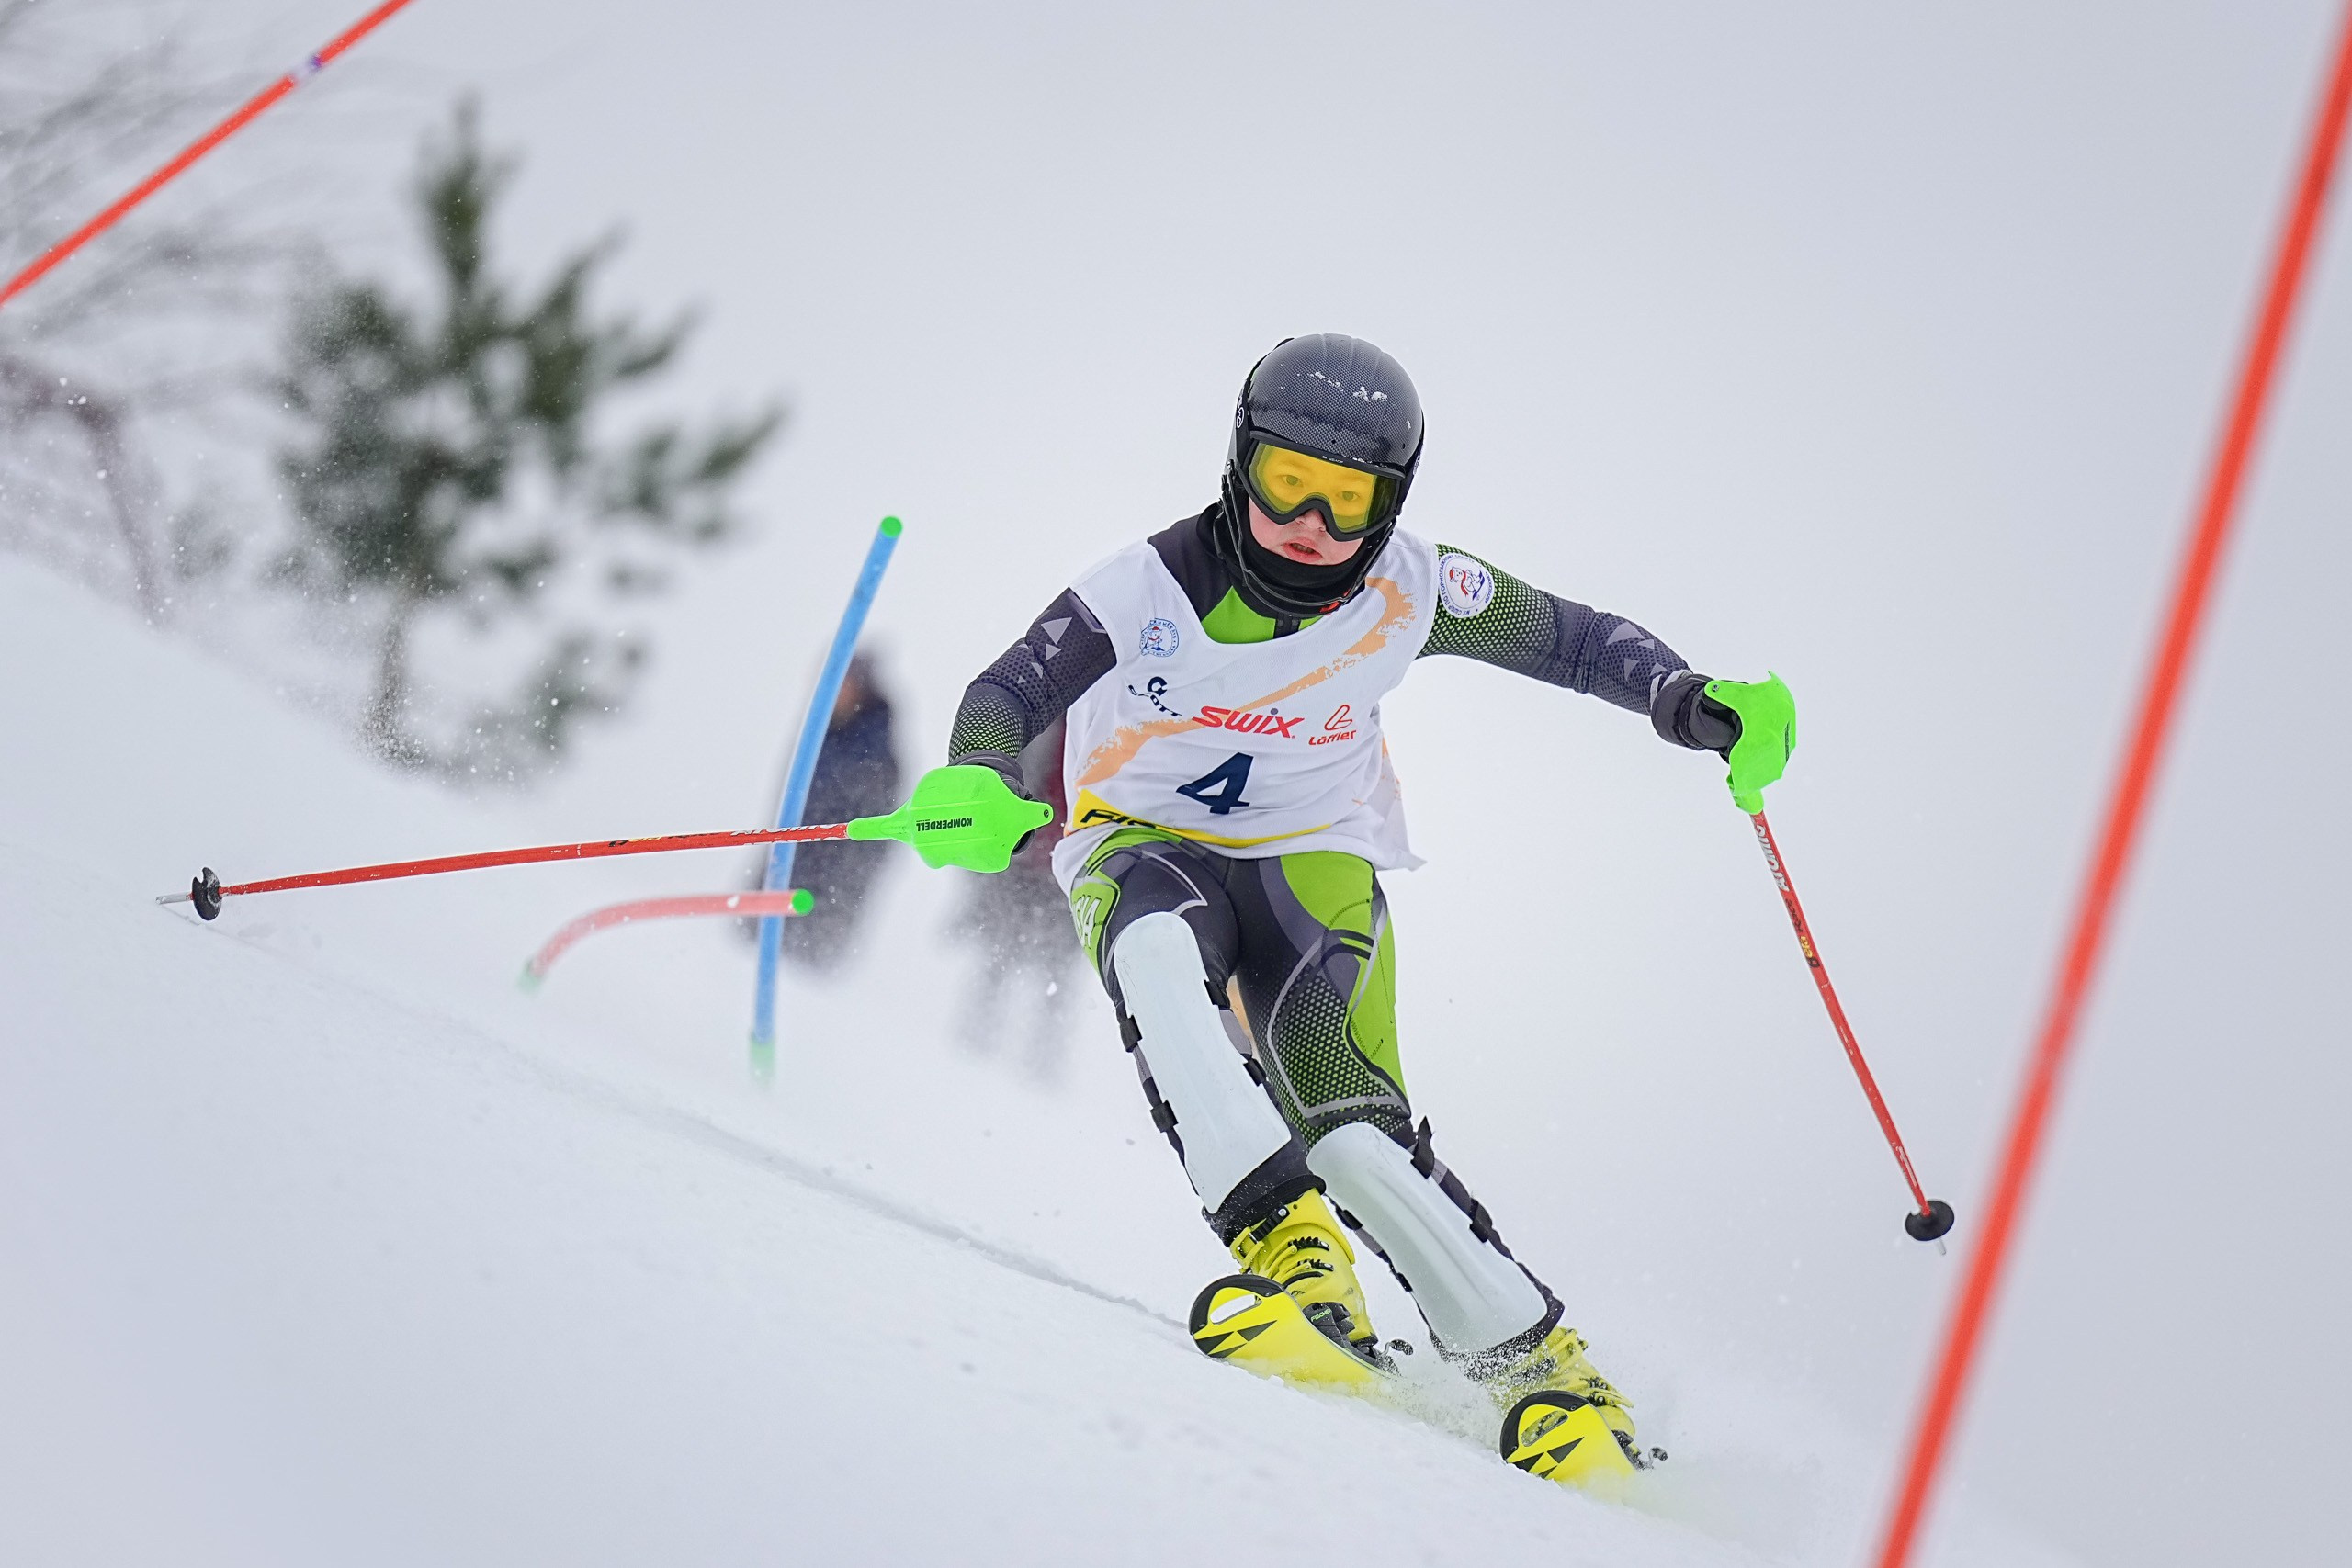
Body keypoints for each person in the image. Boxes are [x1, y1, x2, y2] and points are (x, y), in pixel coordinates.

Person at [924, 334, 1792, 1476]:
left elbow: (1571, 640)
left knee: (1354, 1130)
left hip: (1311, 856)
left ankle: (1543, 1371)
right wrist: (978, 775)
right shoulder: (1143, 587)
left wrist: (1682, 695)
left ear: (1391, 504)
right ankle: (1298, 1262)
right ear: (1240, 464)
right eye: (1288, 483)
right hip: (1140, 841)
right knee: (1155, 966)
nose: (1311, 525)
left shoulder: (1413, 587)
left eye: (1348, 501)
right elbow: (1008, 689)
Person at [753, 652, 902, 972]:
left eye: (841, 684)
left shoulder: (874, 748)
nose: (832, 693)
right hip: (788, 864)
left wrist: (838, 882)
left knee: (804, 971)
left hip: (830, 887)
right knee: (749, 955)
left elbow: (873, 831)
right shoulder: (821, 734)